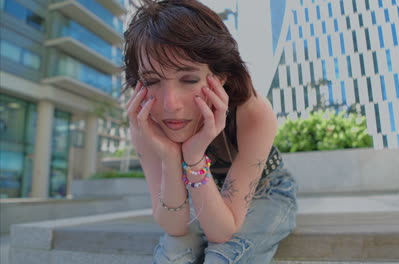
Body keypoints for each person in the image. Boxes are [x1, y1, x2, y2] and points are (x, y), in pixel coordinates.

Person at [123, 0, 297, 263]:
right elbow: (174, 226)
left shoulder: (253, 111)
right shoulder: (145, 122)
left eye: (189, 79)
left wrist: (193, 157)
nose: (171, 104)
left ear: (220, 77)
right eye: (152, 81)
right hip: (200, 193)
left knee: (223, 257)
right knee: (174, 256)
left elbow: (222, 231)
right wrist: (171, 157)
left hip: (266, 191)